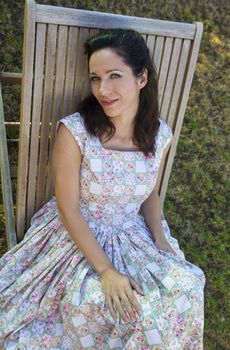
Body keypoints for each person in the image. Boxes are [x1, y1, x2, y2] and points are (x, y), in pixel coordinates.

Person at [0, 29, 205, 349]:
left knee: (188, 286)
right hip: (76, 237)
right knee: (126, 308)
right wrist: (106, 271)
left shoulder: (159, 134)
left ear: (141, 78)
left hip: (132, 233)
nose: (103, 89)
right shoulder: (76, 132)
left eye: (114, 76)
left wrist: (160, 238)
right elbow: (68, 208)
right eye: (95, 78)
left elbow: (149, 192)